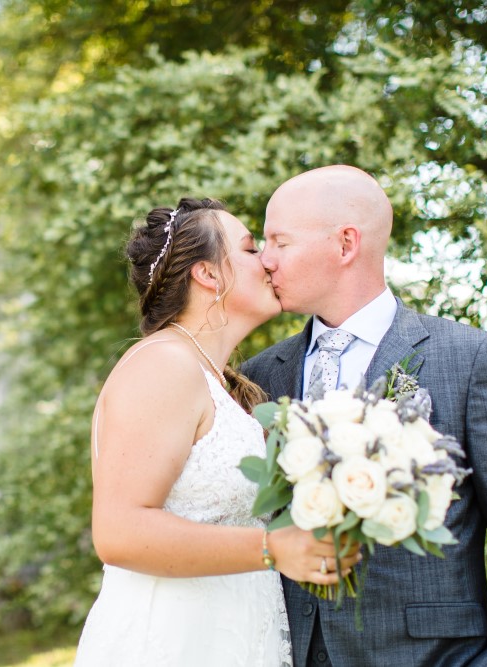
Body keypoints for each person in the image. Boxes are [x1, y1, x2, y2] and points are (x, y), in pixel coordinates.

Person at [241, 166, 487, 666]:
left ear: (345, 244)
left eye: (278, 242)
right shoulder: (259, 376)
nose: (264, 261)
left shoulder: (473, 360)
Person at [74, 197, 360, 666]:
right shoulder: (163, 365)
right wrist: (275, 549)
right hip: (171, 644)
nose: (268, 260)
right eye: (250, 250)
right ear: (207, 274)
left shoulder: (228, 384)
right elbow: (119, 531)